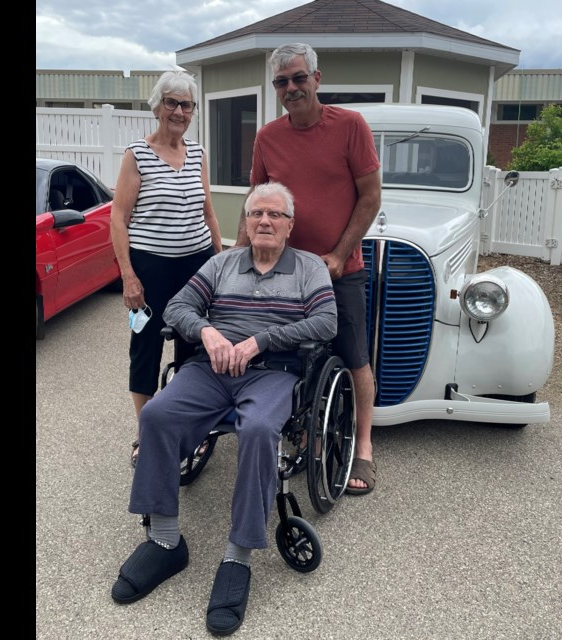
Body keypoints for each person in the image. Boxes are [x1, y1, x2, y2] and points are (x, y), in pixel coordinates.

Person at [111, 181, 337, 636]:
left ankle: (238, 555)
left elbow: (327, 322)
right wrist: (209, 333)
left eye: (275, 215)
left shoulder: (309, 268)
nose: (265, 222)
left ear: (290, 225)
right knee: (156, 415)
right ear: (246, 222)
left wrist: (260, 341)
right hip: (211, 368)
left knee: (257, 430)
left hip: (273, 370)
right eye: (257, 214)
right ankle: (165, 539)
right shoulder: (221, 263)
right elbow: (177, 307)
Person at [236, 42, 382, 495]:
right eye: (282, 82)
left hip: (340, 268)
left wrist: (339, 254)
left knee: (354, 353)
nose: (292, 88)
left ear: (317, 78)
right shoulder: (268, 137)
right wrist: (235, 261)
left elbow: (371, 196)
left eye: (299, 78)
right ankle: (299, 432)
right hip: (284, 272)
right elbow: (256, 204)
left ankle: (364, 448)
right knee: (289, 355)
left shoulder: (351, 126)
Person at [110, 65, 223, 469]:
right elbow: (119, 218)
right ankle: (148, 434)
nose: (179, 111)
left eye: (187, 105)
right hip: (149, 268)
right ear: (158, 107)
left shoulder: (197, 154)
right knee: (146, 346)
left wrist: (218, 258)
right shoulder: (136, 155)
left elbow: (207, 208)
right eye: (172, 103)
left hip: (195, 266)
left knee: (194, 347)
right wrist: (128, 275)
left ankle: (190, 428)